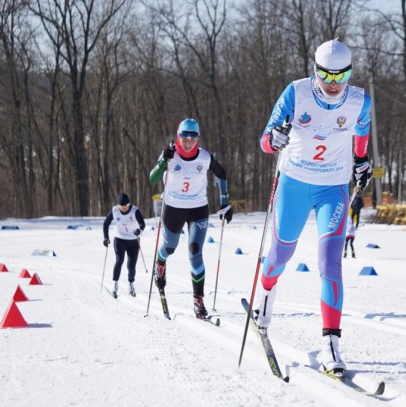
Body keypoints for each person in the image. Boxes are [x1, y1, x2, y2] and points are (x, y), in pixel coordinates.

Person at [253, 38, 373, 374]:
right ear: (315, 70)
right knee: (279, 256)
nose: (334, 84)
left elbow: (361, 139)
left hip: (332, 189)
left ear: (349, 73)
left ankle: (331, 344)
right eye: (327, 76)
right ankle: (265, 297)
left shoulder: (360, 102)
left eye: (341, 77)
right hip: (294, 184)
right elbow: (265, 140)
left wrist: (362, 162)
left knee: (330, 264)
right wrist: (273, 139)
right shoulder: (296, 92)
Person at [148, 118, 233, 319]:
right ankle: (160, 263)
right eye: (184, 136)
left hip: (198, 209)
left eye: (193, 137)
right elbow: (152, 179)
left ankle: (198, 300)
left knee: (195, 251)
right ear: (178, 136)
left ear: (198, 138)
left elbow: (221, 173)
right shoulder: (170, 155)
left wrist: (224, 201)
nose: (188, 141)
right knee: (170, 246)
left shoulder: (204, 157)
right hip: (173, 208)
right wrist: (162, 161)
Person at [102, 193, 146, 298]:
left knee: (131, 265)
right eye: (121, 206)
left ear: (129, 204)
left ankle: (131, 285)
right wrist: (106, 237)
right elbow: (106, 224)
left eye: (126, 206)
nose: (124, 209)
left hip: (133, 241)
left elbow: (142, 224)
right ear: (118, 205)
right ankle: (115, 285)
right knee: (119, 260)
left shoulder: (134, 210)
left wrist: (139, 230)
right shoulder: (115, 211)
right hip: (119, 239)